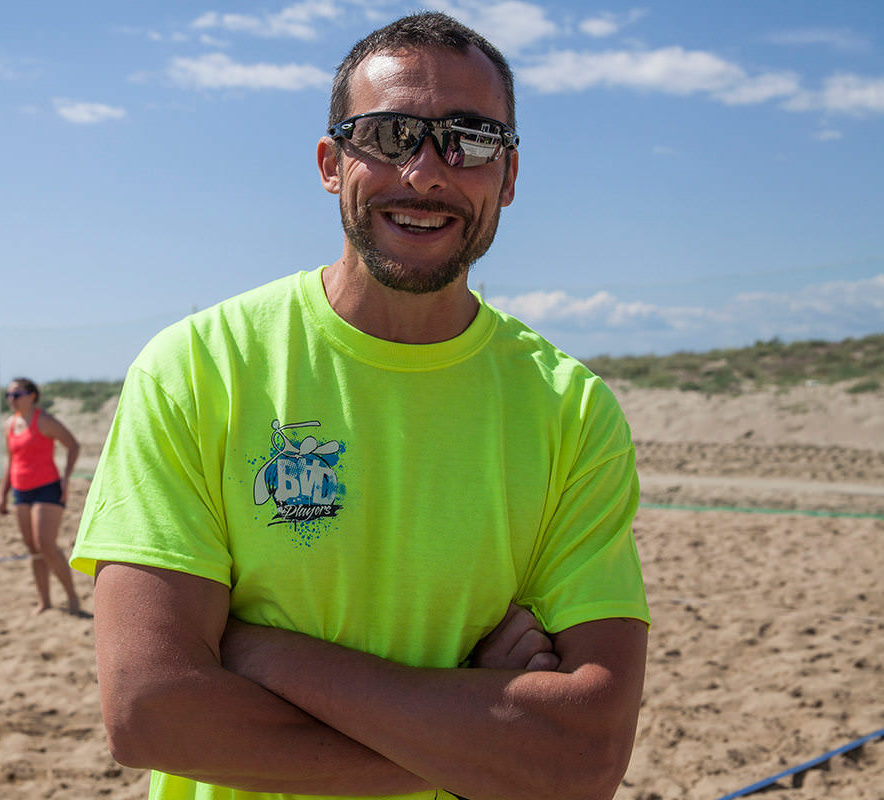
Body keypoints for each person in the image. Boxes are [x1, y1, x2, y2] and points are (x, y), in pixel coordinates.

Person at [72, 12, 650, 800]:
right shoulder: (201, 370)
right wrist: (482, 733)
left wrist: (264, 654)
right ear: (330, 164)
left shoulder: (570, 410)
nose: (425, 171)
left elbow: (584, 758)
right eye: (387, 134)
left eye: (471, 139)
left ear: (509, 177)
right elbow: (152, 712)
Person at [0, 377, 82, 616]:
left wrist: (66, 478)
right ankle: (44, 600)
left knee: (46, 544)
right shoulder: (9, 425)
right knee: (33, 548)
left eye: (16, 394)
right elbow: (11, 461)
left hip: (47, 487)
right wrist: (2, 495)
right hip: (20, 490)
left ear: (32, 395)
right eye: (8, 395)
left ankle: (72, 595)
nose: (11, 399)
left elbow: (73, 445)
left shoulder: (44, 420)